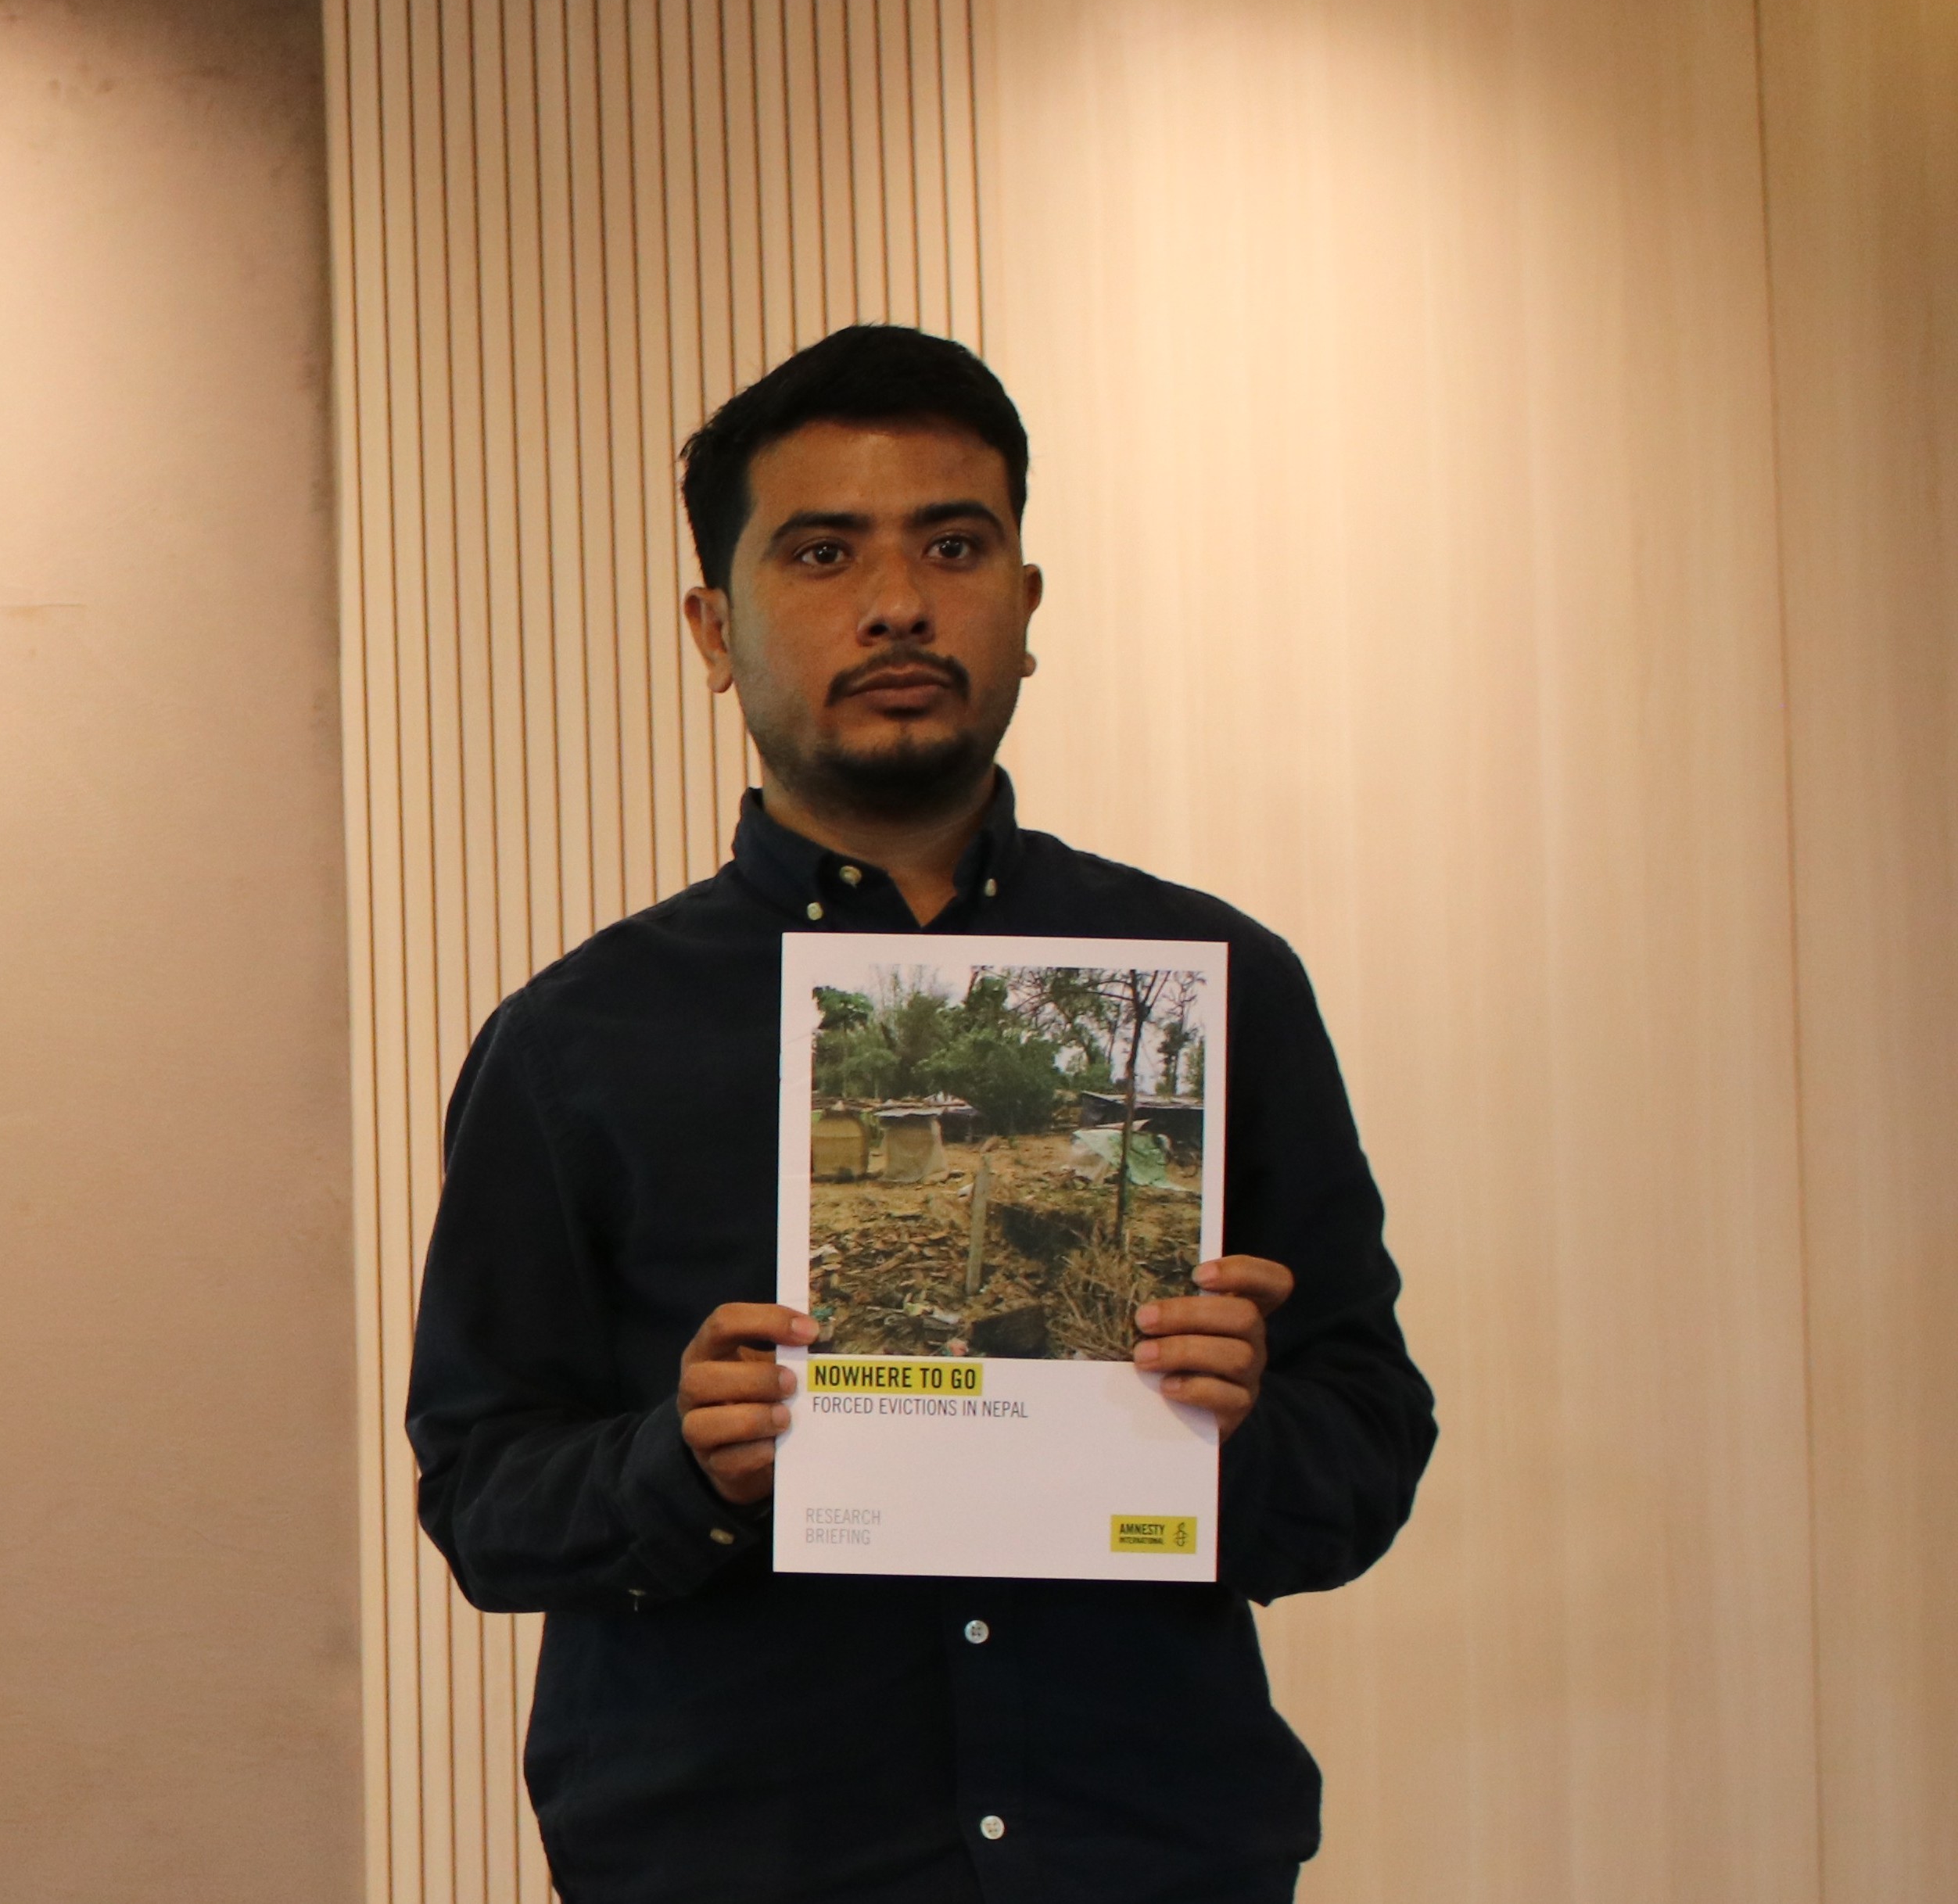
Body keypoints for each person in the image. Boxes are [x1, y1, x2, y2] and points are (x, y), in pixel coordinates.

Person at [406, 326, 1434, 1904]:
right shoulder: (574, 1044)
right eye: (820, 553)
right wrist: (679, 1463)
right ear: (711, 623)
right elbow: (478, 1493)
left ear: (1024, 604)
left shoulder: (1206, 987)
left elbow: (1364, 1445)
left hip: (1152, 1860)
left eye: (953, 545)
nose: (895, 600)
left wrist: (1244, 1422)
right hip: (730, 1865)